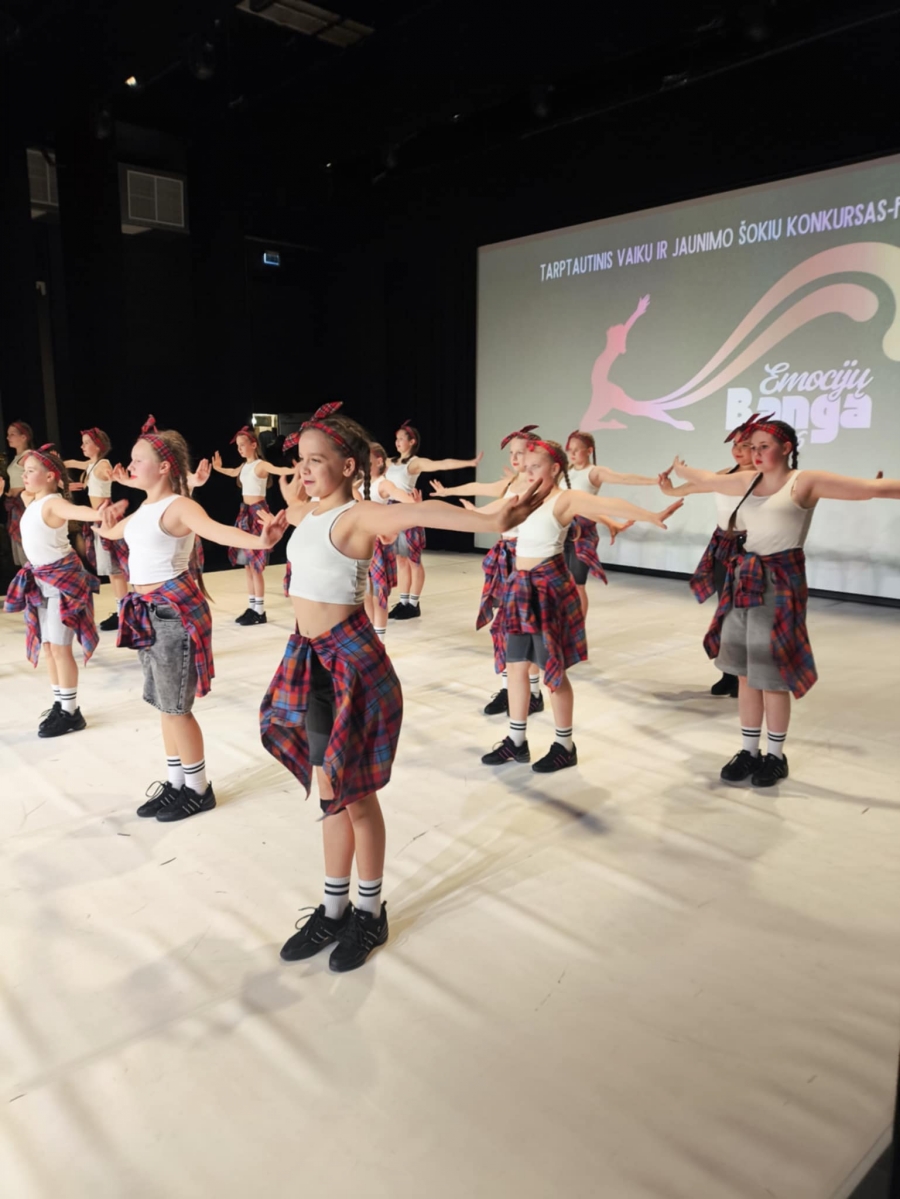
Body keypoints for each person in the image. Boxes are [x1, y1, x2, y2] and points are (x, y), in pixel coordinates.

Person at [260, 403, 541, 972]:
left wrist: (492, 522)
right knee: (328, 790)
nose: (304, 469)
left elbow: (422, 511)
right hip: (311, 662)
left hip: (351, 663)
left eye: (316, 460)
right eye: (300, 460)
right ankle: (333, 908)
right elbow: (291, 517)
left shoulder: (359, 515)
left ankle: (369, 912)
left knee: (356, 795)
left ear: (348, 465)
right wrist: (271, 525)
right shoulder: (308, 512)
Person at [667, 419, 900, 787]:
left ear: (787, 447)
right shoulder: (748, 480)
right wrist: (681, 470)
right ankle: (749, 750)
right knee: (745, 673)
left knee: (772, 676)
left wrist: (878, 487)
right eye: (752, 447)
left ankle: (775, 756)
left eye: (764, 446)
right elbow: (709, 480)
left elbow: (873, 489)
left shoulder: (802, 482)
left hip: (780, 583)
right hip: (744, 579)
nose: (756, 453)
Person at [99, 417, 287, 822]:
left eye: (138, 460)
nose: (130, 466)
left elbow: (217, 531)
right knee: (165, 706)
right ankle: (176, 782)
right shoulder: (146, 507)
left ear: (165, 466)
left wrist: (259, 540)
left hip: (172, 613)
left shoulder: (180, 506)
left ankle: (198, 790)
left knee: (176, 709)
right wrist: (105, 522)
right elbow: (115, 534)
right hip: (148, 613)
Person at [481, 437, 682, 773]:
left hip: (547, 589)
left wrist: (651, 515)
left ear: (555, 468)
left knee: (553, 673)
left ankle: (565, 746)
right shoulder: (521, 497)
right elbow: (483, 514)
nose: (528, 472)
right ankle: (516, 741)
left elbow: (611, 503)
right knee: (515, 667)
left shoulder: (564, 499)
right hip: (520, 588)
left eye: (535, 466)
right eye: (526, 467)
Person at [431, 424, 546, 715]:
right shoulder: (510, 484)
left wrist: (474, 512)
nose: (515, 458)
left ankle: (532, 693)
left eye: (521, 453)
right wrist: (447, 492)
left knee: (524, 628)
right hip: (505, 558)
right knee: (506, 627)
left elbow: (500, 511)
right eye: (512, 453)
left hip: (527, 561)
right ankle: (511, 689)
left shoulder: (539, 486)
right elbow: (479, 489)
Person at [3, 445, 118, 736]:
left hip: (61, 582)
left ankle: (70, 712)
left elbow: (75, 510)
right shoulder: (32, 498)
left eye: (31, 471)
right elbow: (23, 493)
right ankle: (60, 702)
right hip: (40, 580)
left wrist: (98, 513)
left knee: (59, 647)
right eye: (25, 470)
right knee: (48, 646)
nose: (24, 475)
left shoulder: (53, 504)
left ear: (50, 477)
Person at [658, 416, 759, 697]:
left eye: (746, 445)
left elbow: (705, 481)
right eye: (736, 444)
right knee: (725, 611)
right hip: (723, 547)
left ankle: (745, 676)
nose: (738, 450)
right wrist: (670, 489)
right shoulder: (726, 473)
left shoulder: (761, 478)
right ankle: (729, 673)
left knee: (743, 614)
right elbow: (699, 486)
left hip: (748, 551)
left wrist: (684, 472)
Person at [386, 419, 482, 620]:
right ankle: (403, 602)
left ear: (412, 442)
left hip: (409, 511)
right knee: (400, 560)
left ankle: (413, 604)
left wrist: (469, 463)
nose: (397, 442)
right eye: (396, 439)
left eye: (401, 439)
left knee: (413, 560)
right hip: (392, 512)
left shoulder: (414, 463)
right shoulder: (390, 462)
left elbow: (442, 463)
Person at [562, 429, 657, 616]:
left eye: (577, 449)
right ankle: (563, 623)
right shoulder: (565, 471)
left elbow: (624, 478)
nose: (572, 453)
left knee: (577, 584)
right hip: (561, 530)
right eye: (569, 449)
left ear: (589, 451)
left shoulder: (594, 472)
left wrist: (654, 481)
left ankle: (578, 627)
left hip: (582, 533)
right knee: (562, 583)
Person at [212, 425, 292, 625]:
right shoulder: (244, 466)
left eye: (242, 445)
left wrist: (296, 469)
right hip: (245, 514)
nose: (239, 449)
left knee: (255, 566)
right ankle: (252, 606)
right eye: (238, 446)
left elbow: (278, 469)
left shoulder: (261, 465)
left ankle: (260, 611)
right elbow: (233, 472)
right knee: (247, 566)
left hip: (257, 514)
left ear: (253, 445)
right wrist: (218, 468)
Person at [64, 428, 131, 631]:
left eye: (86, 442)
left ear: (98, 445)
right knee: (111, 570)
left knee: (114, 570)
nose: (82, 446)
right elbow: (71, 462)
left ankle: (124, 614)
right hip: (99, 519)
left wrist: (117, 477)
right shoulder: (91, 464)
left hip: (107, 519)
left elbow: (110, 476)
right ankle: (122, 611)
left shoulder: (102, 464)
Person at [360, 442, 419, 640]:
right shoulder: (357, 483)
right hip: (360, 543)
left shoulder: (383, 484)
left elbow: (403, 497)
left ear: (378, 461)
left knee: (378, 594)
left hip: (377, 543)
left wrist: (414, 505)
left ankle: (380, 640)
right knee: (365, 593)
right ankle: (370, 636)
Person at [4, 420, 34, 568]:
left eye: (12, 434)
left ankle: (32, 576)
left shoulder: (29, 456)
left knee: (26, 541)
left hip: (23, 503)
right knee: (19, 543)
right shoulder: (18, 457)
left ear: (24, 437)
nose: (8, 437)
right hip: (15, 503)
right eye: (8, 434)